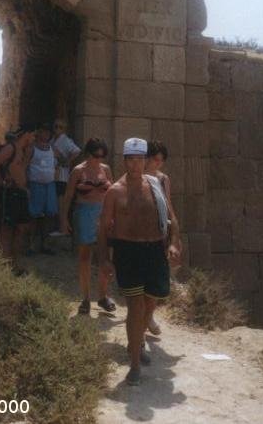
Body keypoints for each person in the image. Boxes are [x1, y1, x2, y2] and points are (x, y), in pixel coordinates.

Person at [98, 137, 180, 386]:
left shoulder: (155, 185)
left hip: (154, 250)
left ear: (145, 161)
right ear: (124, 160)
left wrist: (174, 242)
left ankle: (137, 340)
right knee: (135, 307)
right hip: (128, 252)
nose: (135, 164)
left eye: (139, 159)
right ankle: (134, 364)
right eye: (130, 159)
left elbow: (171, 218)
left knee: (150, 303)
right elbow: (103, 229)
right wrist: (104, 259)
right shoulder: (115, 191)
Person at [60, 137, 115, 315]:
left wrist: (116, 216)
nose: (99, 159)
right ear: (87, 153)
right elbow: (68, 196)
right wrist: (64, 219)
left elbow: (113, 193)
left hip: (103, 214)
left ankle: (103, 296)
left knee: (104, 256)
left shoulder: (105, 170)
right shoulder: (78, 171)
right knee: (85, 257)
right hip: (84, 213)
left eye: (102, 155)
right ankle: (85, 298)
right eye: (96, 155)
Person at [144, 140, 182, 336]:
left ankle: (149, 316)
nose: (156, 163)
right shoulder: (136, 177)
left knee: (159, 278)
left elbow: (168, 207)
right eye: (153, 159)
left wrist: (175, 236)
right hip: (139, 233)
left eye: (160, 160)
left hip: (159, 233)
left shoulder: (163, 179)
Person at [0, 125, 36, 275]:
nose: (34, 138)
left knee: (21, 228)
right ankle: (4, 266)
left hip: (20, 193)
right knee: (7, 230)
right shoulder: (10, 148)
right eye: (33, 135)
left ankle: (14, 265)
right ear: (26, 134)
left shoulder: (23, 150)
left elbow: (21, 169)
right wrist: (1, 182)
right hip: (10, 193)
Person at [26, 123, 59, 255]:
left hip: (50, 185)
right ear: (38, 132)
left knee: (49, 215)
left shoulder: (52, 148)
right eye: (43, 131)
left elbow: (60, 159)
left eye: (48, 132)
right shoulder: (31, 148)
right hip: (35, 185)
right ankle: (31, 245)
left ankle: (45, 244)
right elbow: (24, 165)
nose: (46, 134)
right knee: (34, 215)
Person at [49, 119, 81, 236]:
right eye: (56, 126)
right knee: (57, 203)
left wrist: (67, 161)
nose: (57, 129)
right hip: (54, 175)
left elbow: (77, 151)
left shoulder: (65, 140)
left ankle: (64, 228)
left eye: (60, 127)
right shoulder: (53, 140)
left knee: (61, 203)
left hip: (62, 176)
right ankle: (61, 227)